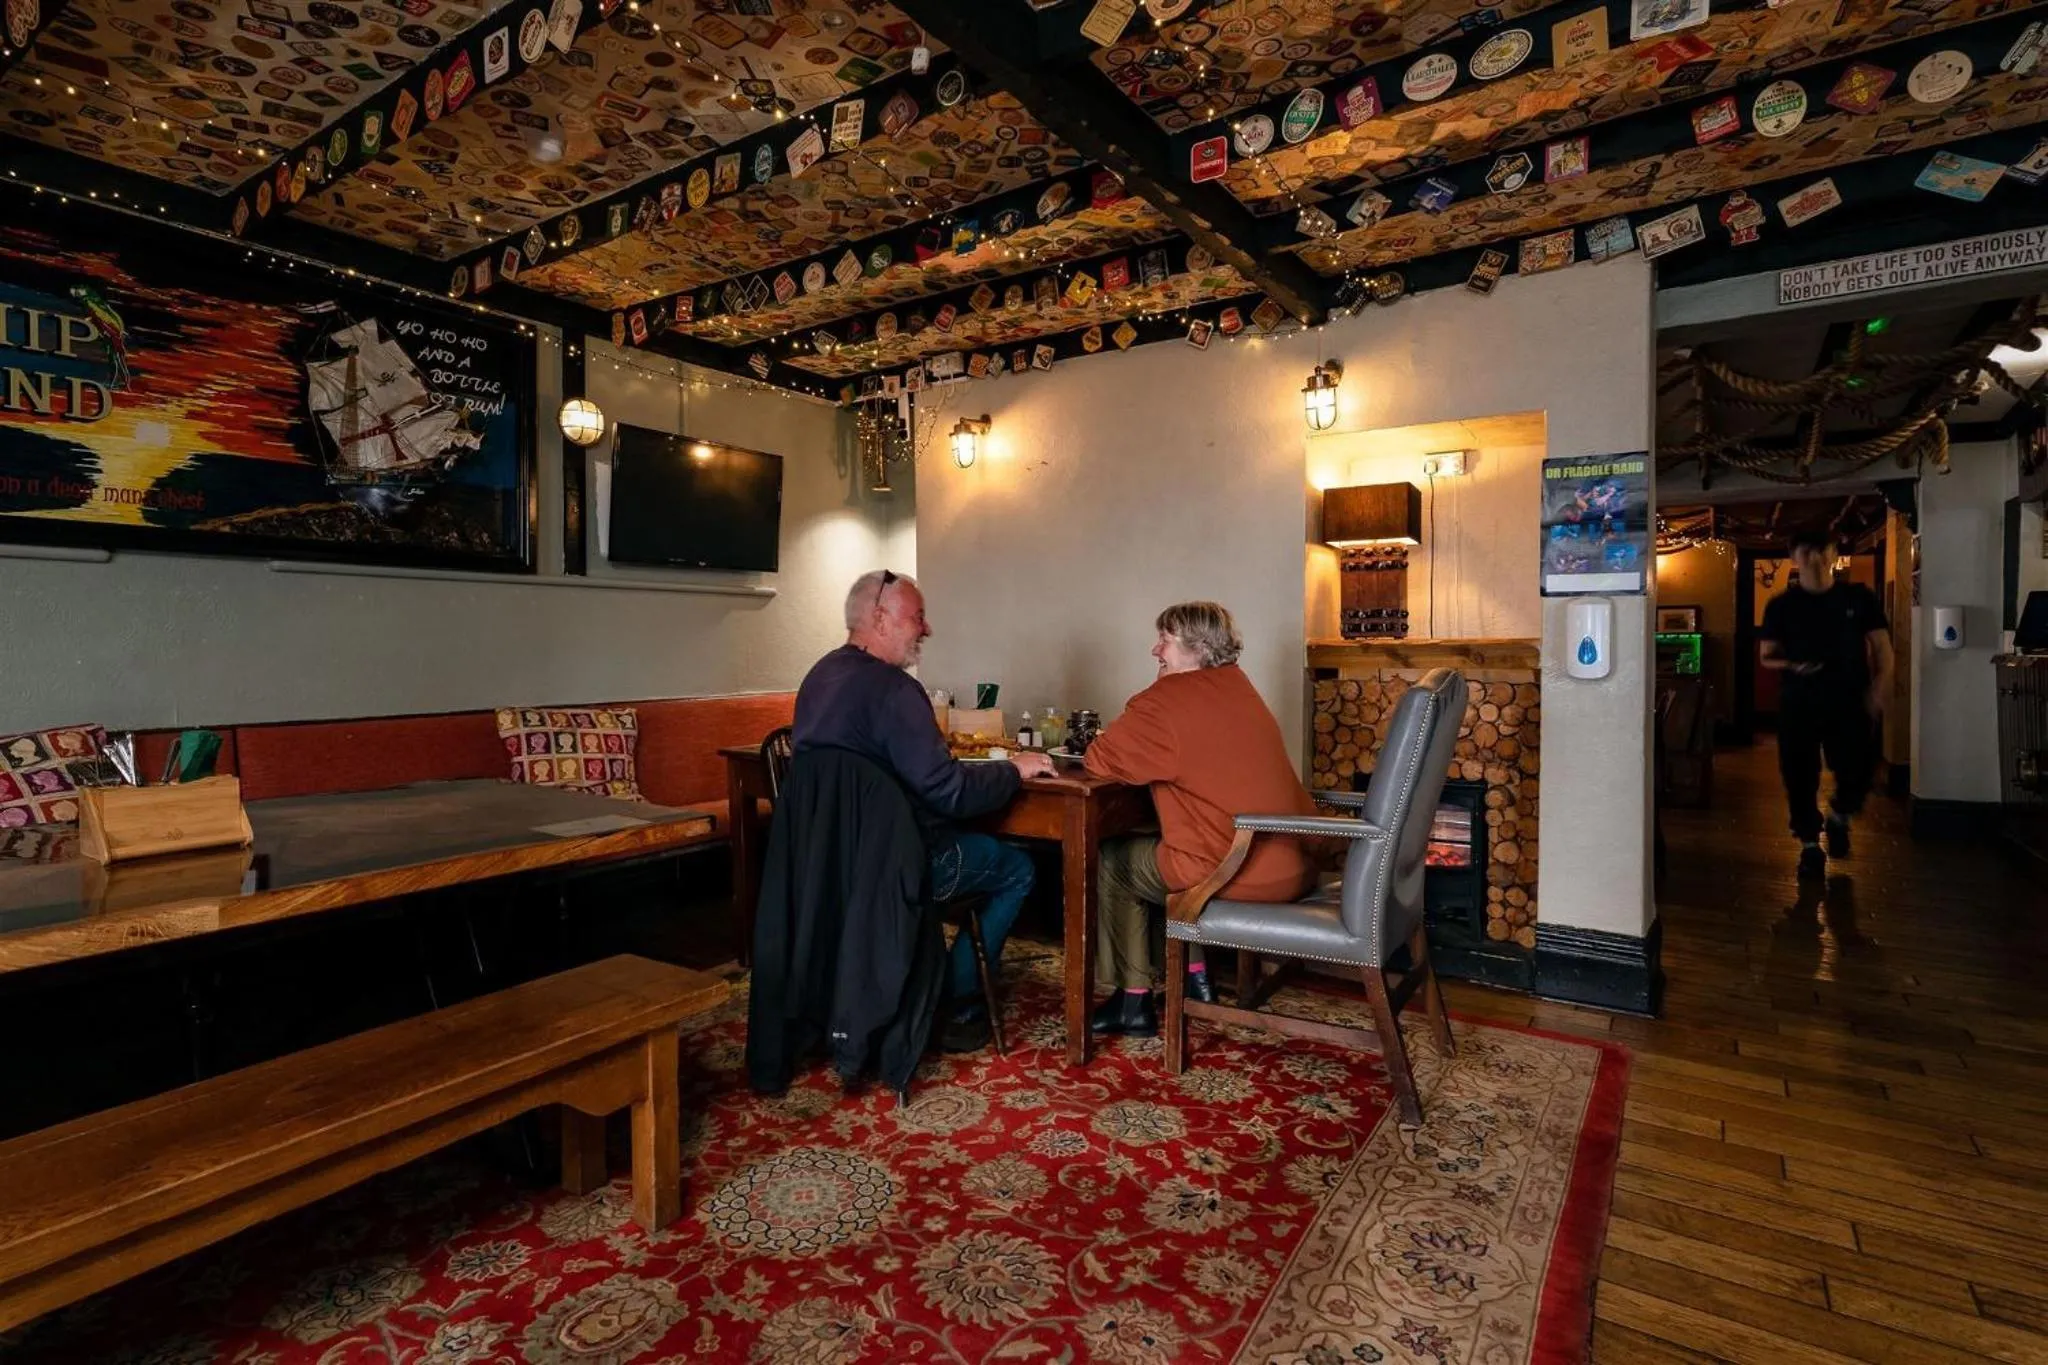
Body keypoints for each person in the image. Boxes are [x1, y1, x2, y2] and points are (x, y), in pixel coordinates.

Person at [793, 570, 1054, 1051]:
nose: (927, 628)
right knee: (1018, 869)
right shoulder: (894, 690)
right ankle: (959, 998)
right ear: (880, 619)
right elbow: (949, 791)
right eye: (918, 617)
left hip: (831, 866)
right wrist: (1014, 770)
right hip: (901, 867)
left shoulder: (819, 677)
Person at [1081, 602, 1320, 1036]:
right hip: (1292, 860)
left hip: (1238, 872)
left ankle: (1132, 1002)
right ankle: (1196, 979)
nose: (1155, 650)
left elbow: (1099, 759)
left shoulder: (1165, 701)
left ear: (1197, 647)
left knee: (1116, 860)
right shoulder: (1239, 687)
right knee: (1162, 849)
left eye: (1165, 640)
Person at [1758, 531, 1893, 877]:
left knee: (1858, 769)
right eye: (1807, 551)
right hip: (1798, 702)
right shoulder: (1781, 606)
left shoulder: (1858, 598)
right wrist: (1792, 665)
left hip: (1850, 699)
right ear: (1795, 557)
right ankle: (1808, 847)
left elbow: (1882, 647)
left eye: (1822, 550)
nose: (1815, 559)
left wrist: (1879, 687)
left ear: (1834, 554)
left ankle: (1839, 816)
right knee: (1798, 775)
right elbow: (1766, 656)